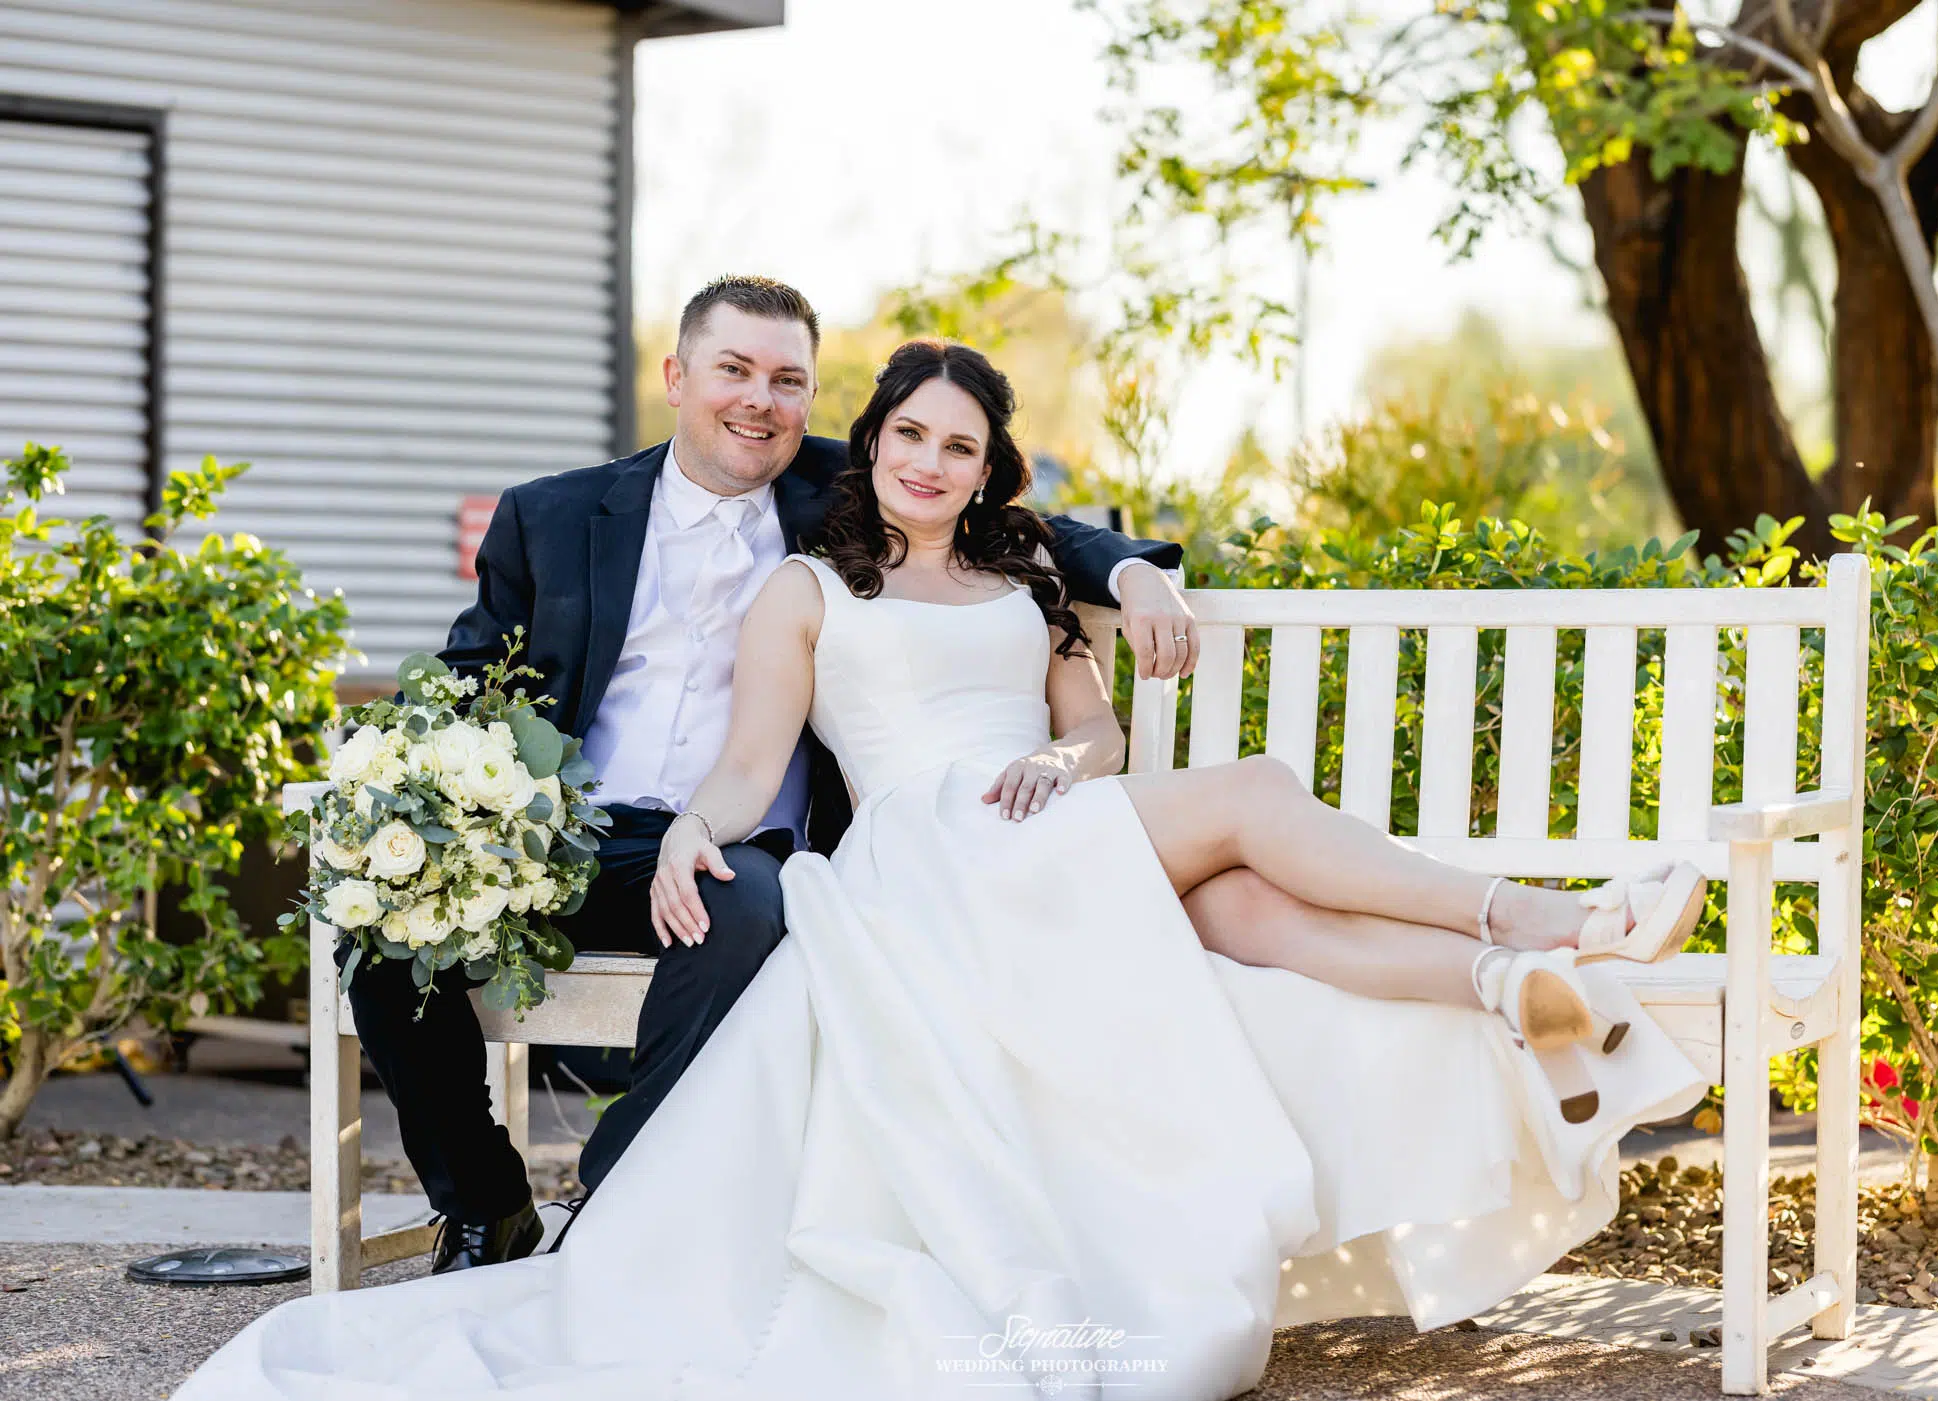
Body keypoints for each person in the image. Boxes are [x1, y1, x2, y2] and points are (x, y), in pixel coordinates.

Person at [179, 340, 1705, 1401]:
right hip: (925, 850)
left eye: (957, 444)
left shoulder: (1030, 573)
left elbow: (1096, 734)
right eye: (905, 433)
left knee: (1242, 903)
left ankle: (1521, 973)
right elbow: (746, 754)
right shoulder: (805, 583)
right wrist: (706, 824)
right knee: (1238, 803)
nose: (925, 459)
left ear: (987, 468)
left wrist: (1069, 756)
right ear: (877, 444)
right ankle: (1549, 915)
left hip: (1046, 820)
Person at [343, 276, 1198, 1275]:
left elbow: (1007, 514)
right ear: (675, 377)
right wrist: (395, 784)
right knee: (381, 933)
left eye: (788, 380)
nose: (760, 400)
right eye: (734, 370)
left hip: (731, 840)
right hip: (556, 835)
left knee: (744, 908)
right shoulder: (553, 516)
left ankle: (615, 1200)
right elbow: (465, 680)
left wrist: (1137, 569)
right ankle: (487, 1207)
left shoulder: (842, 489)